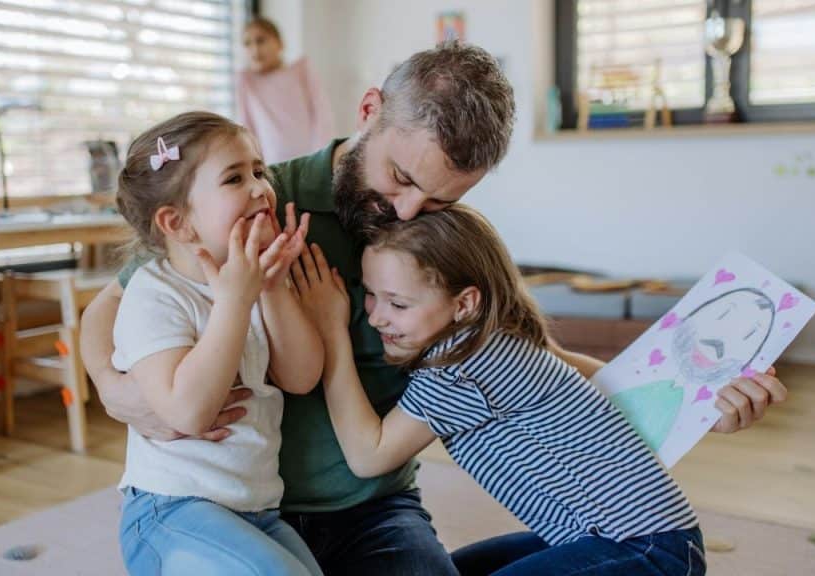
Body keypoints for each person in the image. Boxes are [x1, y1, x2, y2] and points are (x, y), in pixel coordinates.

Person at [82, 42, 786, 576]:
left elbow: (529, 361)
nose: (407, 211)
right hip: (243, 503)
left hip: (375, 507)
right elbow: (109, 309)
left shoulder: (436, 241)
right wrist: (116, 388)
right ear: (369, 112)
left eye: (442, 198)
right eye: (400, 178)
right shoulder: (259, 203)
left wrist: (696, 393)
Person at [292, 204, 706, 575]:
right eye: (371, 296)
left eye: (398, 304)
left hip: (645, 548)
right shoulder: (492, 338)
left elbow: (369, 456)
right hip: (633, 538)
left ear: (464, 304)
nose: (377, 318)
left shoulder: (459, 364)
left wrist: (331, 330)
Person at [111, 111, 324, 575]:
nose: (260, 188)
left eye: (259, 171)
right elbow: (188, 413)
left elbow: (302, 377)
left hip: (256, 510)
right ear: (177, 222)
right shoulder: (155, 294)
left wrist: (273, 287)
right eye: (234, 178)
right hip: (170, 511)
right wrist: (234, 301)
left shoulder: (255, 281)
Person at [237, 16, 334, 163]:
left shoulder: (301, 71)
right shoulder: (247, 82)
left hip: (311, 160)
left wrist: (321, 159)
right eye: (247, 44)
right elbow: (247, 128)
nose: (254, 49)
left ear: (280, 44)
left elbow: (322, 115)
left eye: (261, 40)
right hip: (272, 166)